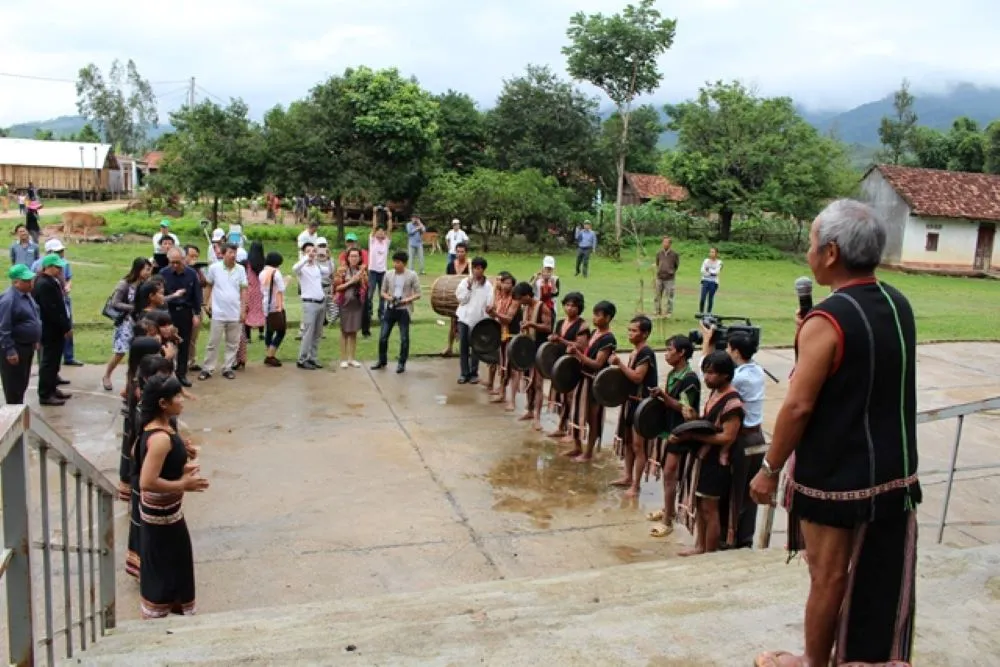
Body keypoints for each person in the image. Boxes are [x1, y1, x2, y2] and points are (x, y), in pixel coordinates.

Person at [750, 200, 920, 667]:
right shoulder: (897, 303)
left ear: (830, 253)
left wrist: (769, 468)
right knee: (874, 574)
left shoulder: (828, 321)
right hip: (892, 474)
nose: (808, 253)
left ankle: (813, 663)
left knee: (827, 577)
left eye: (810, 244)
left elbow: (800, 405)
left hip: (836, 478)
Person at [136, 374, 209, 618]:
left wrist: (181, 466)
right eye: (177, 396)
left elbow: (158, 467)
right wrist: (182, 484)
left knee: (172, 565)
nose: (182, 399)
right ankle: (159, 616)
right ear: (163, 404)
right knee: (167, 568)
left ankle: (168, 609)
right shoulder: (159, 439)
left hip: (168, 514)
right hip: (163, 519)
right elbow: (147, 481)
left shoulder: (162, 428)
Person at [668, 351, 743, 557]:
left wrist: (693, 436)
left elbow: (727, 437)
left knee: (710, 510)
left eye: (711, 373)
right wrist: (694, 418)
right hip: (704, 459)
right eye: (705, 372)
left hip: (717, 463)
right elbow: (709, 424)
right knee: (701, 506)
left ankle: (710, 553)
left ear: (725, 375)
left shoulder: (733, 403)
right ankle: (700, 546)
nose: (706, 378)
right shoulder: (715, 393)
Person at [646, 335, 701, 538]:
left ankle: (667, 521)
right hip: (669, 431)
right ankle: (667, 508)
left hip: (681, 435)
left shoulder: (689, 380)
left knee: (670, 476)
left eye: (670, 350)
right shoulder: (673, 374)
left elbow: (686, 409)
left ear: (682, 353)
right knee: (667, 475)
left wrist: (663, 396)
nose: (666, 353)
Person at [609, 315, 658, 497]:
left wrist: (619, 364)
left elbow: (638, 377)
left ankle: (636, 485)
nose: (630, 334)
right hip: (631, 402)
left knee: (638, 446)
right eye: (629, 330)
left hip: (641, 405)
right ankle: (628, 476)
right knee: (629, 442)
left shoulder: (646, 353)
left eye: (634, 331)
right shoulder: (635, 351)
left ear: (645, 334)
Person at [566, 300, 616, 462]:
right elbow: (586, 350)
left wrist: (578, 354)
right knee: (579, 413)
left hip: (596, 383)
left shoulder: (608, 339)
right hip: (584, 378)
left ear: (608, 318)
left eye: (598, 315)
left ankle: (588, 453)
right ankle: (577, 446)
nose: (594, 318)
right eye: (594, 314)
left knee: (593, 417)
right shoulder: (595, 332)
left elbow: (597, 363)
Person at [102, 258, 153, 391]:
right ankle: (107, 375)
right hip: (125, 322)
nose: (149, 272)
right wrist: (132, 307)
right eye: (146, 269)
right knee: (120, 352)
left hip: (140, 323)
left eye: (150, 269)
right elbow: (115, 303)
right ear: (138, 269)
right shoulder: (124, 283)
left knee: (139, 353)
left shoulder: (146, 284)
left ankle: (133, 381)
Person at [198, 245, 247, 381]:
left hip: (235, 312)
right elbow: (209, 286)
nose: (233, 255)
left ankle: (227, 367)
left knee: (233, 342)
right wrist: (205, 303)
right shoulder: (214, 268)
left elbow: (244, 291)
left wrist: (243, 310)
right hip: (218, 312)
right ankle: (207, 368)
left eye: (235, 253)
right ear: (223, 254)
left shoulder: (241, 269)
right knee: (213, 342)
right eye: (231, 252)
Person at [545, 292, 588, 441]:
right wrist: (552, 339)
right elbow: (556, 339)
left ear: (579, 308)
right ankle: (561, 426)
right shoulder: (560, 323)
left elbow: (581, 346)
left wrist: (561, 340)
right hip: (560, 364)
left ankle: (571, 430)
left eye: (573, 306)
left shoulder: (582, 325)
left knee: (571, 398)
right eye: (567, 305)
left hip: (573, 365)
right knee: (562, 396)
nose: (569, 308)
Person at [33, 254, 73, 406]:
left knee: (55, 360)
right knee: (49, 362)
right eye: (57, 267)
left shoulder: (51, 281)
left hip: (55, 328)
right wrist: (65, 326)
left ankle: (52, 388)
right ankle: (45, 394)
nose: (60, 269)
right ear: (48, 267)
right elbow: (53, 310)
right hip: (50, 329)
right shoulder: (44, 284)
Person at [372, 251, 421, 373]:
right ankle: (382, 360)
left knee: (404, 338)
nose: (395, 264)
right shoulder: (388, 274)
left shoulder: (412, 275)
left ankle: (401, 363)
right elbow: (382, 292)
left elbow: (418, 293)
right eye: (394, 261)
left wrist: (406, 300)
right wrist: (390, 298)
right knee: (383, 336)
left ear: (404, 263)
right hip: (391, 307)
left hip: (404, 310)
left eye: (398, 262)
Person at [511, 281, 551, 430]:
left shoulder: (543, 307)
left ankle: (537, 418)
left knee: (538, 384)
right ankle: (529, 410)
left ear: (528, 295)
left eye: (521, 299)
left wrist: (532, 325)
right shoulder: (526, 307)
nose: (519, 302)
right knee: (528, 381)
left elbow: (548, 327)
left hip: (540, 349)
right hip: (528, 349)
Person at [160, 248, 202, 387]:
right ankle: (167, 373)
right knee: (167, 343)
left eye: (178, 262)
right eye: (172, 262)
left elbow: (197, 295)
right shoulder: (163, 273)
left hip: (185, 312)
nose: (175, 265)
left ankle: (181, 374)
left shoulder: (191, 274)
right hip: (168, 312)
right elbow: (159, 296)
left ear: (184, 260)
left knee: (184, 344)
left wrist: (196, 314)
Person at [0, 264, 42, 404]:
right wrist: (10, 350)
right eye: (27, 280)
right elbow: (3, 328)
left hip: (27, 346)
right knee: (14, 385)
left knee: (23, 382)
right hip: (16, 348)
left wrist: (35, 338)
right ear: (16, 282)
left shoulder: (27, 295)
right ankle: (13, 412)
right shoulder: (8, 300)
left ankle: (19, 406)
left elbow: (33, 317)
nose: (31, 283)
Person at [454, 256, 493, 385]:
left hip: (479, 321)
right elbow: (461, 299)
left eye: (480, 268)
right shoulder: (465, 282)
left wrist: (486, 319)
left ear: (483, 270)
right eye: (475, 268)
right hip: (464, 319)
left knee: (476, 348)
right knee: (464, 346)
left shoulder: (488, 286)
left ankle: (474, 373)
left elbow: (489, 304)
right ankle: (463, 373)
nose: (477, 271)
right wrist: (469, 288)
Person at [484, 272, 519, 409]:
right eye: (504, 282)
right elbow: (496, 316)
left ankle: (512, 401)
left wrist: (495, 313)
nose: (505, 285)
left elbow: (508, 319)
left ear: (513, 285)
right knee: (503, 366)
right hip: (503, 334)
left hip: (513, 336)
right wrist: (491, 313)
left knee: (514, 370)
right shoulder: (499, 297)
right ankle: (502, 393)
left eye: (509, 283)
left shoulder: (515, 300)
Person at [333, 247, 368, 369]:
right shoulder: (342, 270)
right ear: (347, 258)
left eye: (356, 256)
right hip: (345, 304)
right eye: (351, 256)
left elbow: (366, 287)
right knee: (344, 331)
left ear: (359, 258)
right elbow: (336, 288)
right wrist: (350, 282)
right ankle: (343, 359)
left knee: (353, 332)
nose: (354, 258)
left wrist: (361, 280)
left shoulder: (362, 271)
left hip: (357, 304)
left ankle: (351, 358)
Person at [294, 242, 326, 370]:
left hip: (321, 302)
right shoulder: (302, 268)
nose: (312, 253)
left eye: (313, 250)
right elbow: (294, 268)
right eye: (308, 251)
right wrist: (307, 257)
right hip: (309, 303)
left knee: (317, 333)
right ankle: (302, 359)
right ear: (303, 253)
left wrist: (325, 257)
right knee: (308, 332)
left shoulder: (317, 267)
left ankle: (312, 357)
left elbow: (328, 271)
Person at [234, 244, 266, 370]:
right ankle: (261, 333)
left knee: (246, 314)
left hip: (248, 290)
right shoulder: (263, 263)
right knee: (259, 311)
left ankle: (247, 337)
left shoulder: (245, 263)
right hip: (260, 291)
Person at [442, 242, 471, 357]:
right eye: (458, 251)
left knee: (466, 323)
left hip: (467, 299)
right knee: (453, 322)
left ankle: (467, 347)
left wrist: (470, 264)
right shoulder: (450, 265)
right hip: (453, 297)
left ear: (466, 252)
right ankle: (449, 347)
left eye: (462, 252)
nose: (460, 254)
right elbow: (447, 281)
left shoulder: (470, 265)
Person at [365, 215, 393, 338]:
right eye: (379, 231)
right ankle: (369, 313)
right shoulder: (372, 240)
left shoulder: (386, 242)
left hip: (383, 272)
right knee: (370, 294)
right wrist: (375, 213)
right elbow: (373, 226)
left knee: (382, 294)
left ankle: (381, 314)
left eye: (383, 231)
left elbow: (390, 230)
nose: (381, 233)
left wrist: (390, 217)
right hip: (372, 271)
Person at [259, 252, 288, 367]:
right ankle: (270, 355)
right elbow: (281, 288)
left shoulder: (262, 272)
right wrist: (287, 280)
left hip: (266, 304)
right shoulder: (276, 272)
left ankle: (268, 351)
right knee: (281, 331)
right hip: (277, 305)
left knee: (270, 329)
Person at [183, 245, 207, 373]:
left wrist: (197, 270)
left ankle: (191, 361)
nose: (194, 258)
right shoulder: (181, 270)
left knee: (193, 337)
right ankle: (181, 362)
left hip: (197, 308)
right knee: (182, 336)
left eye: (196, 256)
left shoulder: (197, 270)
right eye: (191, 256)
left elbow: (204, 283)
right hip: (184, 308)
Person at [654, 236, 679, 317]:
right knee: (657, 295)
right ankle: (657, 311)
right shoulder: (659, 253)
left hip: (669, 279)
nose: (664, 244)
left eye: (666, 242)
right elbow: (657, 263)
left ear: (670, 244)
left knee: (669, 296)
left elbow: (676, 265)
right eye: (663, 242)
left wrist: (671, 272)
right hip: (659, 277)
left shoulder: (674, 254)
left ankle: (668, 312)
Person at [699, 247, 723, 314]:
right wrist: (710, 272)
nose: (711, 253)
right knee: (702, 298)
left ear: (716, 253)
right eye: (710, 252)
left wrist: (708, 270)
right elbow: (702, 271)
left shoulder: (719, 262)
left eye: (713, 252)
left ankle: (708, 313)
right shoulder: (706, 261)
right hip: (705, 281)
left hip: (714, 282)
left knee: (710, 298)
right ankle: (701, 313)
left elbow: (716, 272)